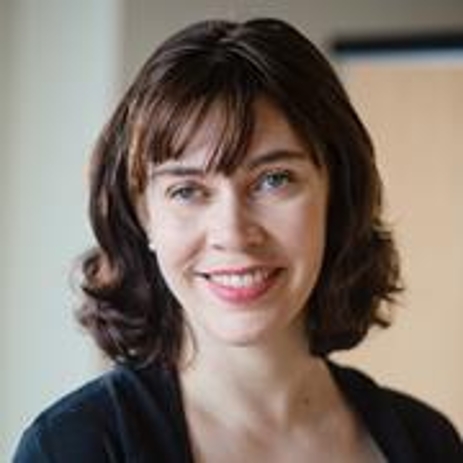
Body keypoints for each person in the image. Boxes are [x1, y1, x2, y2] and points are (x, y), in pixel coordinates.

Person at [13, 17, 463, 463]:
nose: (232, 233)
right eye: (186, 191)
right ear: (143, 215)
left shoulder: (428, 442)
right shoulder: (70, 449)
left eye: (274, 179)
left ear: (336, 195)